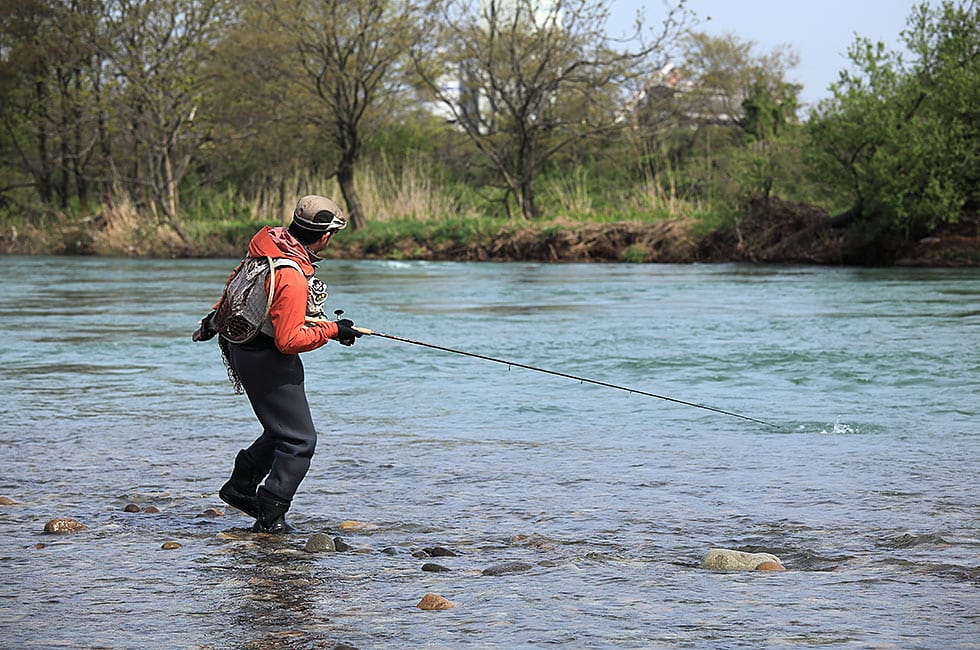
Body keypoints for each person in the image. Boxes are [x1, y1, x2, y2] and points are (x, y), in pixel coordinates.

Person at [193, 195, 362, 533]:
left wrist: (212, 323)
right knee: (300, 441)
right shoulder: (292, 275)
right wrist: (331, 330)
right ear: (325, 235)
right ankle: (271, 514)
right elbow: (288, 341)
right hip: (268, 358)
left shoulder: (266, 246)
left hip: (243, 350)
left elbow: (235, 295)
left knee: (282, 431)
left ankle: (241, 486)